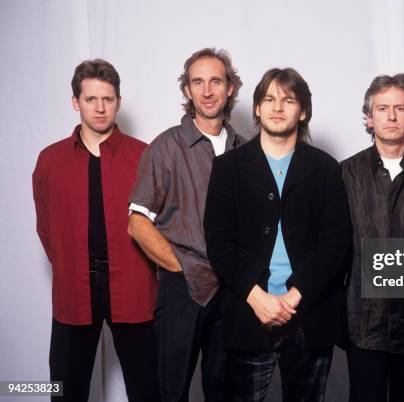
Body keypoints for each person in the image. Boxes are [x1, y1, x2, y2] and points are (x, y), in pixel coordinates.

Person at [204, 67, 352, 402]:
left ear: (303, 111)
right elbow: (220, 243)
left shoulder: (327, 169)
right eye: (269, 99)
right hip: (248, 312)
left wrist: (294, 296)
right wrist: (257, 297)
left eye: (288, 100)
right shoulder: (228, 168)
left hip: (309, 316)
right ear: (256, 108)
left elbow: (335, 245)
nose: (277, 107)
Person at [32, 59, 158, 402]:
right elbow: (46, 229)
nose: (100, 108)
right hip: (74, 288)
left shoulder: (143, 156)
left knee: (148, 389)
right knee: (64, 390)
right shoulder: (49, 161)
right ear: (76, 102)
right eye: (91, 99)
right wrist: (72, 263)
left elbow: (160, 225)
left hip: (133, 286)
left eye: (108, 99)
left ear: (118, 101)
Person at [127, 48, 245, 402]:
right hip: (182, 292)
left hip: (234, 291)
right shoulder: (165, 147)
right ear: (187, 91)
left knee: (225, 391)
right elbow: (137, 222)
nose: (207, 90)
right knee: (171, 391)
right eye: (198, 82)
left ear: (230, 88)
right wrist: (181, 268)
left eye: (215, 81)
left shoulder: (244, 149)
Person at [341, 73, 404, 402]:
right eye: (382, 108)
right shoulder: (345, 174)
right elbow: (334, 251)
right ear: (368, 118)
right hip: (362, 322)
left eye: (400, 108)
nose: (390, 116)